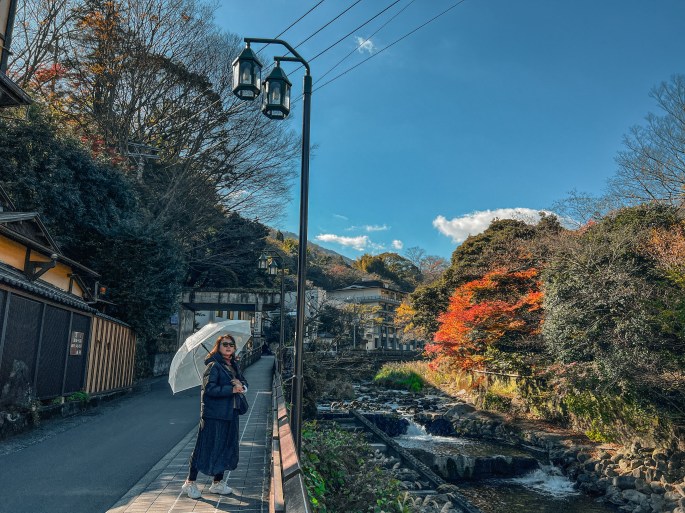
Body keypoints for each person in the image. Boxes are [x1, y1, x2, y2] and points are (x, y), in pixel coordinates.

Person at [182, 334, 248, 499]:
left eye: (231, 344)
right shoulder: (213, 366)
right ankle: (190, 482)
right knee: (204, 447)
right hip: (214, 415)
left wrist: (241, 385)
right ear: (218, 347)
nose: (228, 347)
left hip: (231, 413)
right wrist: (231, 389)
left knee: (226, 447)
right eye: (224, 344)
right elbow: (209, 390)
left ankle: (217, 483)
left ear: (234, 348)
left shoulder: (234, 365)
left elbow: (244, 382)